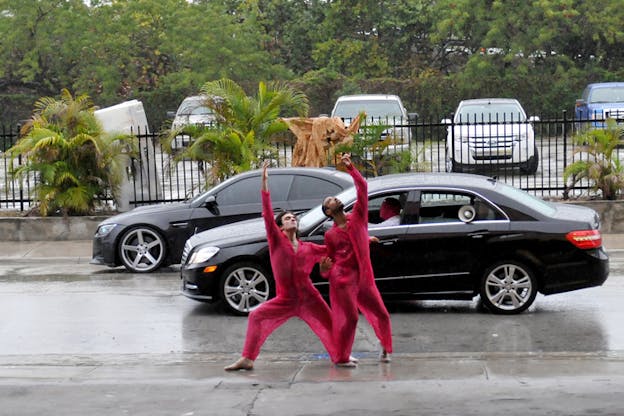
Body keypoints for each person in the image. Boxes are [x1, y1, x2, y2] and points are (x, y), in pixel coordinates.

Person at [224, 162, 340, 371]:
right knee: (256, 315)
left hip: (309, 297)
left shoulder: (308, 248)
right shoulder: (276, 241)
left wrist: (364, 242)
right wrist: (264, 182)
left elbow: (335, 252)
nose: (292, 219)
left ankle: (341, 356)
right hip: (285, 299)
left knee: (332, 323)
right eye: (287, 218)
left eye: (294, 217)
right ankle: (248, 358)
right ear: (280, 227)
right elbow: (268, 214)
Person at [321, 153, 393, 365]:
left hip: (364, 277)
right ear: (328, 211)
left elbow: (363, 188)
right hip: (344, 279)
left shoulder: (358, 217)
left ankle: (386, 347)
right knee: (350, 318)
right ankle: (341, 356)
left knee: (381, 313)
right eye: (330, 201)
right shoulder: (330, 235)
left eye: (334, 198)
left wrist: (350, 167)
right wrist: (325, 272)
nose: (335, 199)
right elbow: (330, 259)